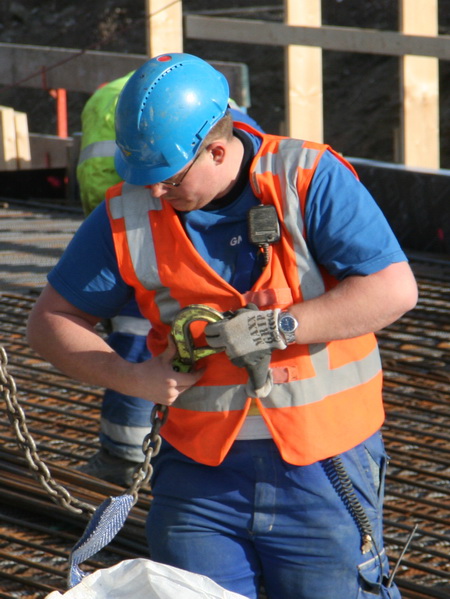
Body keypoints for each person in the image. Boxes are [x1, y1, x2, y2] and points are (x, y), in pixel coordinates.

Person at [27, 53, 418, 599]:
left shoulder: (306, 178)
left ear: (216, 150)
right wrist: (132, 377)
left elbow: (393, 289)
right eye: (143, 177)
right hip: (199, 477)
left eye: (168, 177)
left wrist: (276, 328)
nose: (154, 192)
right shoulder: (130, 211)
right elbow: (50, 321)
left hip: (323, 466)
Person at [75, 70, 263, 486]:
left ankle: (121, 455)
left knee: (137, 340)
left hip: (129, 230)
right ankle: (128, 454)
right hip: (145, 233)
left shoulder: (111, 99)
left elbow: (95, 180)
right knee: (143, 343)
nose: (157, 188)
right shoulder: (214, 109)